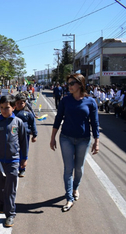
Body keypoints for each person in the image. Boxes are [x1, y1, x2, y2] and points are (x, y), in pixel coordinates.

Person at [50, 73, 99, 212]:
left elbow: (95, 123)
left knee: (79, 168)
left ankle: (75, 188)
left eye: (72, 83)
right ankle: (69, 198)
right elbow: (58, 119)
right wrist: (52, 137)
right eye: (68, 84)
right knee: (68, 168)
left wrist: (97, 141)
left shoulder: (90, 101)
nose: (69, 86)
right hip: (66, 138)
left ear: (80, 84)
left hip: (84, 139)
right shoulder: (65, 101)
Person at [0, 95, 28, 227]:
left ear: (13, 107)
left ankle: (10, 214)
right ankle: (1, 203)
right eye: (1, 108)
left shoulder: (18, 123)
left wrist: (24, 158)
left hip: (13, 160)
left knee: (10, 187)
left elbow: (23, 142)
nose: (4, 110)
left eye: (7, 108)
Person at [13, 93, 38, 177]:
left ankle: (22, 169)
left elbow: (33, 124)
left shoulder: (28, 113)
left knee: (24, 151)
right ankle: (14, 168)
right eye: (18, 103)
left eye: (22, 103)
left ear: (25, 103)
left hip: (25, 136)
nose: (19, 105)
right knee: (14, 151)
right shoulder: (12, 113)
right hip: (14, 136)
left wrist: (35, 135)